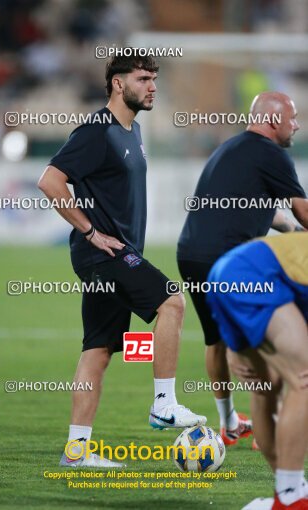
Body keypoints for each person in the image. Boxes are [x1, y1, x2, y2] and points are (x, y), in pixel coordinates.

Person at [38, 54, 206, 468]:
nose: (152, 86)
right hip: (105, 254)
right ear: (117, 83)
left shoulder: (132, 131)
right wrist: (90, 231)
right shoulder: (98, 132)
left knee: (98, 350)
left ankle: (76, 453)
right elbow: (50, 181)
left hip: (113, 255)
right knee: (172, 301)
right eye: (143, 79)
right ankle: (164, 403)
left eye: (154, 79)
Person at [177, 91, 308, 446]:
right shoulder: (273, 155)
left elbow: (270, 213)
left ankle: (229, 422)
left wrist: (293, 231)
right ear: (273, 120)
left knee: (216, 341)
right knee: (274, 338)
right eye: (292, 118)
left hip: (190, 255)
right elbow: (303, 211)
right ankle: (274, 419)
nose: (296, 124)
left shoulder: (231, 149)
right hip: (228, 263)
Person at [206, 232, 308, 510]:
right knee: (304, 379)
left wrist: (233, 345)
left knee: (266, 385)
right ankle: (290, 498)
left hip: (228, 273)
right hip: (250, 278)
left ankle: (290, 489)